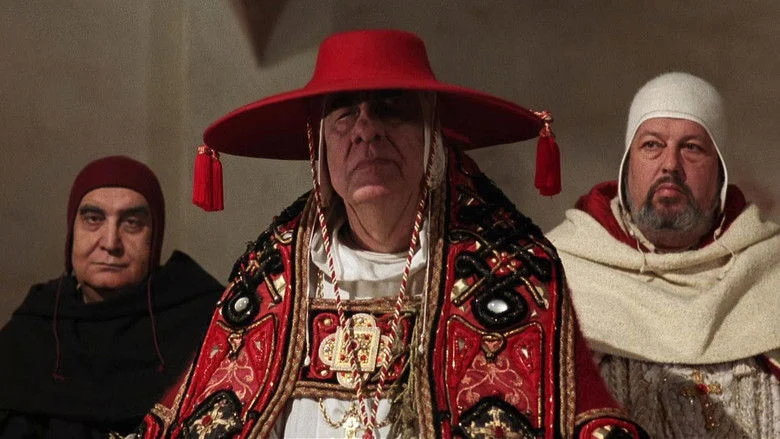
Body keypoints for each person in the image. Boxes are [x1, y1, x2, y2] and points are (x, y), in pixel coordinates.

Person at [141, 30, 647, 439]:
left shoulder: (515, 273)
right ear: (320, 149)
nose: (367, 130)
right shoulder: (268, 281)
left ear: (432, 137)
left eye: (390, 108)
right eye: (344, 113)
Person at [548, 72, 780, 438]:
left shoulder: (770, 269)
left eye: (692, 148)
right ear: (627, 166)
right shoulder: (560, 271)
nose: (670, 164)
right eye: (652, 145)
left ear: (720, 172)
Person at [0, 156, 224, 438]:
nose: (110, 243)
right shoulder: (34, 327)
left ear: (154, 238)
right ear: (72, 232)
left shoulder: (205, 320)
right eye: (93, 220)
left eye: (131, 223)